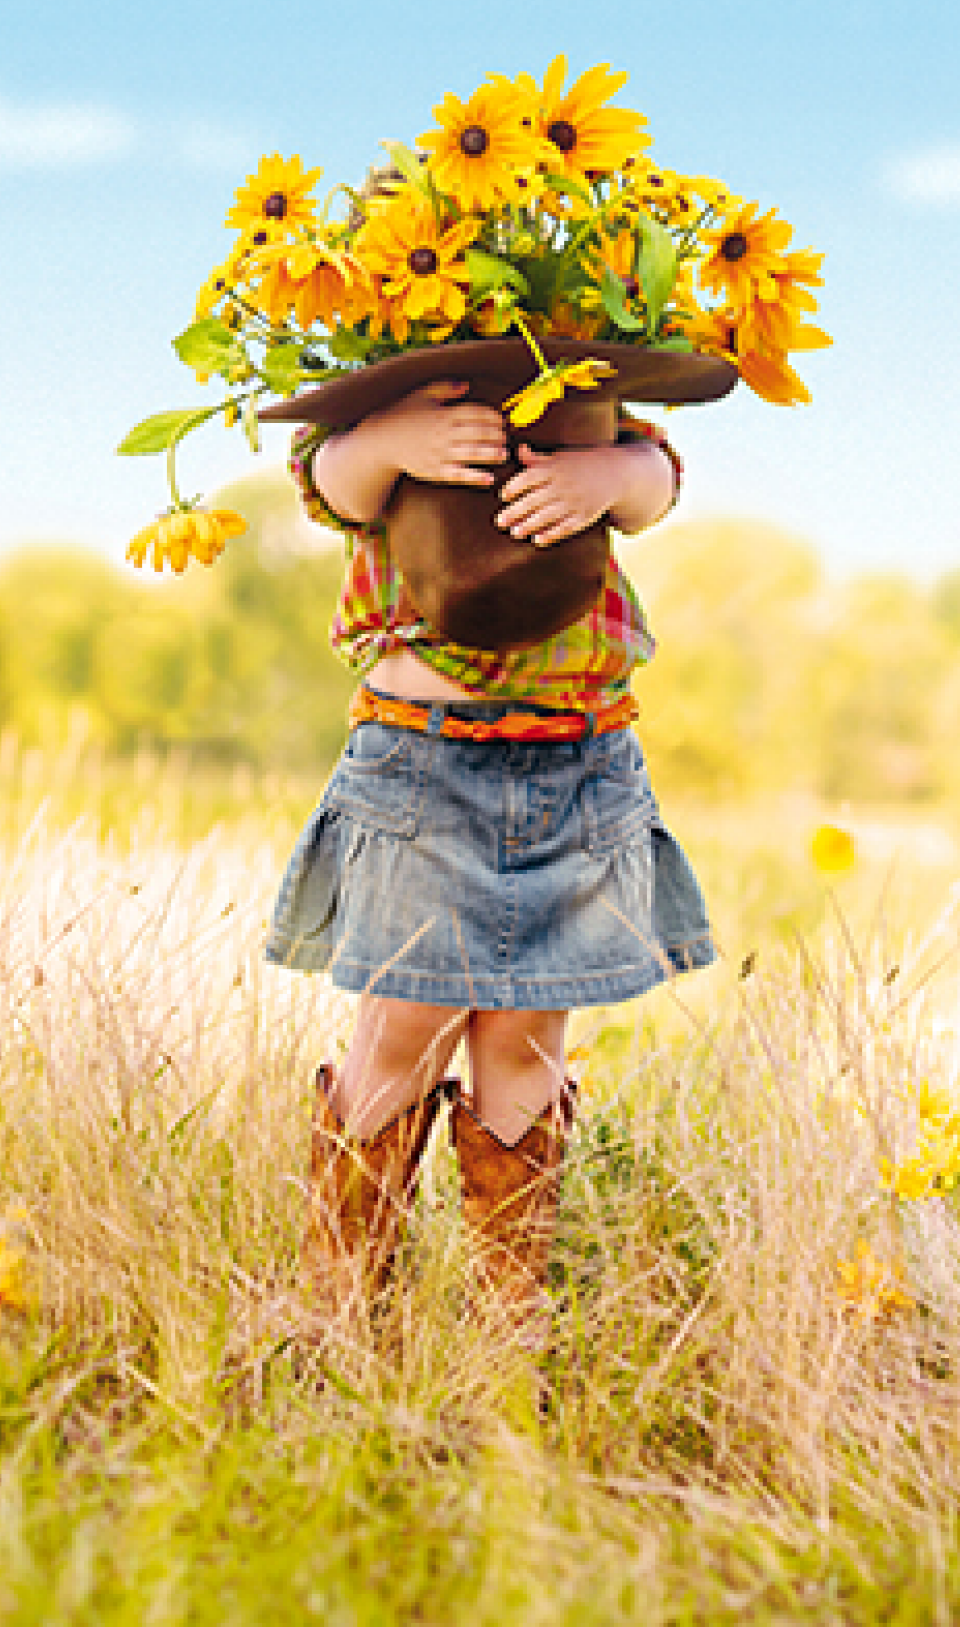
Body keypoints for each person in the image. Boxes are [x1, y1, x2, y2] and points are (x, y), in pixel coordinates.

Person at [266, 375, 715, 1338]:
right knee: (405, 1020)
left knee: (523, 1033)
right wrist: (392, 441)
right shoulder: (398, 391)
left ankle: (506, 1325)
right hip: (423, 758)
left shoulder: (580, 392)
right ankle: (337, 1308)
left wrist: (608, 475)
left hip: (575, 759)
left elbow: (656, 478)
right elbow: (327, 480)